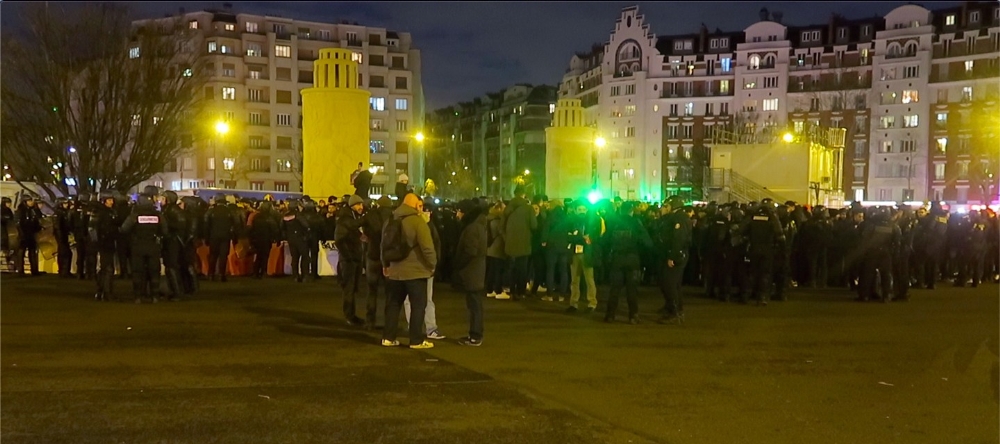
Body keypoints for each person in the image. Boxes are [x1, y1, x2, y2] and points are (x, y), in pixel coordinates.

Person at [381, 193, 436, 349]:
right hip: (416, 271)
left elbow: (383, 246)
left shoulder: (390, 220)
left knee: (393, 305)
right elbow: (427, 248)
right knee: (418, 306)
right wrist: (432, 265)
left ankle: (388, 337)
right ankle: (416, 340)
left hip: (394, 271)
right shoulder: (418, 222)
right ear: (415, 204)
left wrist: (385, 265)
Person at [603, 201, 653, 324]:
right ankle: (633, 316)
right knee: (632, 290)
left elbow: (605, 241)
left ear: (621, 211)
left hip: (617, 259)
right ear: (631, 211)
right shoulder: (636, 223)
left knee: (614, 289)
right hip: (632, 259)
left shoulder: (613, 223)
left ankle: (610, 315)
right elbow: (647, 243)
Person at [403, 200, 445, 340]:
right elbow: (432, 247)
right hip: (420, 266)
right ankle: (427, 328)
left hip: (415, 266)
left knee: (418, 299)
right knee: (421, 299)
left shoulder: (407, 222)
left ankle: (421, 327)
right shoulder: (423, 225)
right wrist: (433, 263)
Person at [121, 186, 166, 303]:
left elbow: (124, 229)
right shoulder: (158, 215)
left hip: (138, 246)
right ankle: (155, 296)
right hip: (153, 246)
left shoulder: (135, 215)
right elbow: (164, 231)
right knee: (154, 271)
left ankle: (138, 296)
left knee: (137, 271)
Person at [452, 199, 487, 346]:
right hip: (476, 270)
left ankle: (475, 335)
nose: (457, 214)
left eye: (459, 211)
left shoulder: (472, 228)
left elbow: (470, 251)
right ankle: (475, 334)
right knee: (475, 304)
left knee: (474, 305)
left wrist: (458, 264)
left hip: (472, 271)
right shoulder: (479, 225)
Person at [361, 195, 394, 329]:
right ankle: (389, 322)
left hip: (373, 254)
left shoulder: (370, 215)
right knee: (390, 293)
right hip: (389, 257)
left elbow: (364, 230)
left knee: (372, 290)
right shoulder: (393, 217)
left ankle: (370, 320)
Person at [501, 185, 537, 300]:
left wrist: (506, 238)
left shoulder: (507, 208)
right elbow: (534, 225)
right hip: (524, 242)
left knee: (512, 268)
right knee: (522, 268)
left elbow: (501, 227)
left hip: (510, 243)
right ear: (523, 194)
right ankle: (521, 291)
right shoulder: (528, 208)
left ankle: (512, 291)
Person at [336, 195, 367, 326]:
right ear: (352, 205)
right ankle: (349, 316)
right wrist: (348, 257)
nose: (361, 207)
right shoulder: (346, 219)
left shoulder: (351, 218)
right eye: (359, 204)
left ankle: (352, 315)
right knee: (349, 289)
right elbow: (339, 240)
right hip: (348, 260)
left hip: (354, 258)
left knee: (353, 288)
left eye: (362, 204)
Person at [565, 200, 601, 313]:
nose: (582, 211)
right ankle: (573, 303)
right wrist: (583, 238)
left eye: (583, 209)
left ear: (586, 210)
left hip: (587, 253)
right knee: (574, 280)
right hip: (575, 253)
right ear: (576, 210)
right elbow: (568, 237)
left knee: (589, 280)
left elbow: (594, 237)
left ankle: (592, 303)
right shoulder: (571, 222)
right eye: (579, 209)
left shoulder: (592, 221)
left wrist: (579, 238)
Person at [14, 195, 44, 276]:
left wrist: (38, 228)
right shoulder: (21, 211)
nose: (31, 202)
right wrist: (21, 234)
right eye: (29, 201)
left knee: (32, 252)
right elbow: (18, 224)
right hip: (23, 234)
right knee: (21, 253)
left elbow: (35, 221)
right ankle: (20, 270)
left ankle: (34, 270)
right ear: (25, 202)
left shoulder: (32, 210)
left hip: (31, 234)